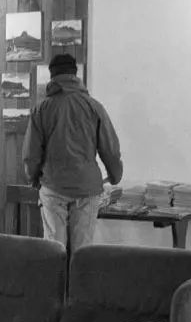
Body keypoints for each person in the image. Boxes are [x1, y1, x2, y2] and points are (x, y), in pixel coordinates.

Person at [23, 53, 122, 255]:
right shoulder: (94, 107)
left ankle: (57, 277)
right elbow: (110, 150)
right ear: (75, 75)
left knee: (54, 251)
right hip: (86, 188)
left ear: (52, 77)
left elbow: (31, 154)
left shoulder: (42, 109)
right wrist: (114, 176)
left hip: (53, 186)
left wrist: (33, 178)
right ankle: (77, 276)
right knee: (81, 253)